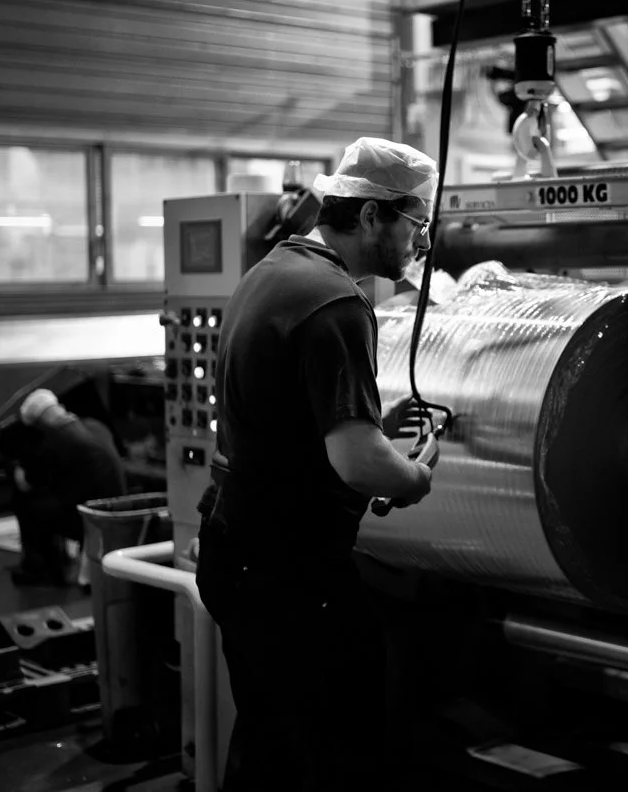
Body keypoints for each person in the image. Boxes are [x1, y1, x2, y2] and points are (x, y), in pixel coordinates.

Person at [194, 136, 440, 791]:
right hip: (289, 571)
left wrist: (369, 429)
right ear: (369, 217)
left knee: (270, 742)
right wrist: (413, 474)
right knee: (337, 747)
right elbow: (359, 464)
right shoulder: (336, 303)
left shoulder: (272, 271)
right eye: (416, 223)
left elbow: (289, 420)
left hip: (233, 549)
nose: (422, 241)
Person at [9, 388, 126, 586]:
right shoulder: (95, 425)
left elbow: (28, 483)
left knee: (26, 505)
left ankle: (40, 568)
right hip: (116, 508)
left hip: (84, 517)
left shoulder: (53, 441)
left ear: (40, 422)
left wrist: (19, 470)